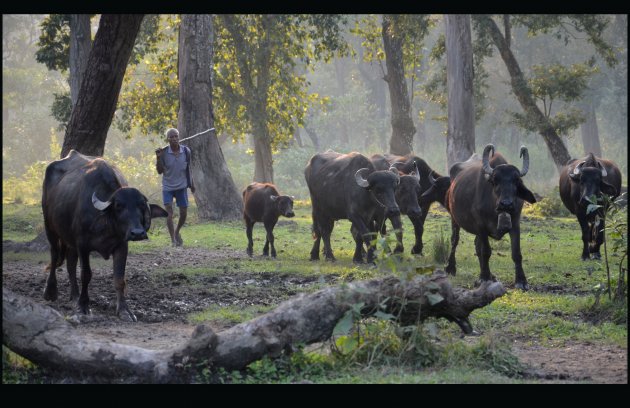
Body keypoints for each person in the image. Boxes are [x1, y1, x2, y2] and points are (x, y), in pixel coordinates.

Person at [155, 128, 195, 246]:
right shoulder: (163, 153)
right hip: (168, 187)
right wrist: (158, 158)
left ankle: (177, 232)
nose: (174, 138)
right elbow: (159, 171)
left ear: (179, 137)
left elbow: (188, 169)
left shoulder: (186, 151)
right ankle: (173, 240)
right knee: (169, 213)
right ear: (168, 139)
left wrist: (192, 184)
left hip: (181, 186)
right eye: (171, 137)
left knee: (183, 213)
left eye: (176, 136)